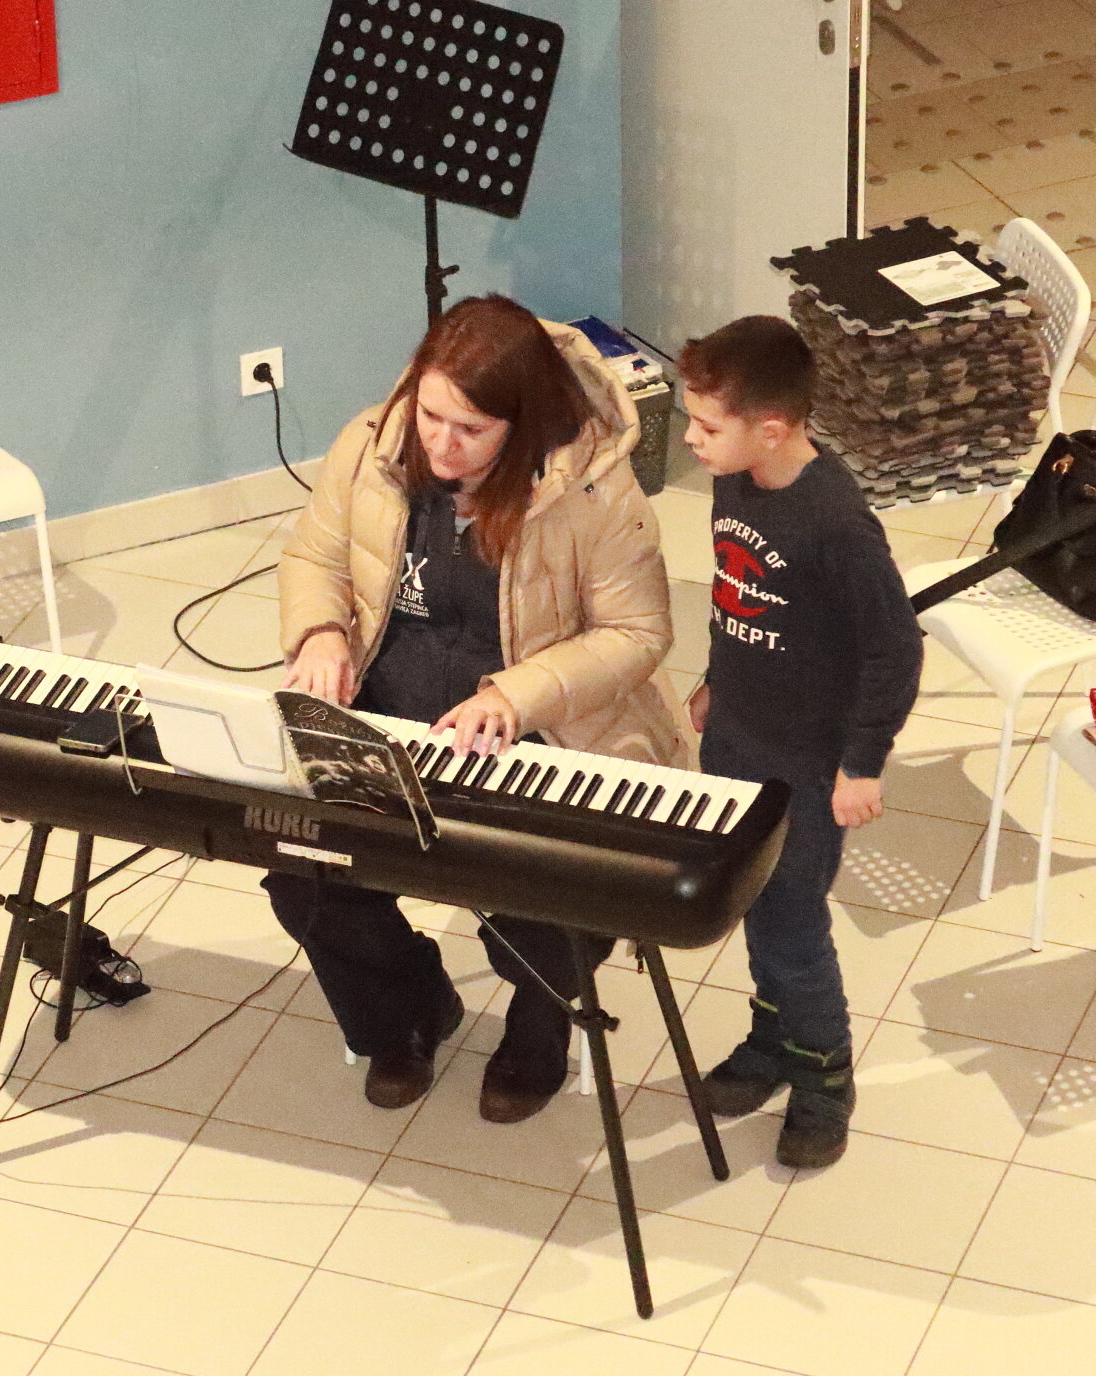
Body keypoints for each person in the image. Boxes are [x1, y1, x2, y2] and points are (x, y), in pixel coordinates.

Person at [270, 293, 677, 1123]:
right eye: (430, 415)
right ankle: (408, 1009)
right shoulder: (370, 446)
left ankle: (538, 1029)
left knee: (557, 904)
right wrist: (320, 632)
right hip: (390, 717)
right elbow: (314, 555)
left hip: (540, 736)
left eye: (470, 430)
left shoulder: (592, 491)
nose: (440, 443)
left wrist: (513, 696)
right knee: (299, 873)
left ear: (520, 426)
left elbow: (638, 632)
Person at [677, 315, 922, 1169]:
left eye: (706, 426)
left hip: (809, 763)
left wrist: (861, 762)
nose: (690, 440)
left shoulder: (835, 524)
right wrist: (717, 676)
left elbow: (894, 648)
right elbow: (735, 593)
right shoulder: (737, 478)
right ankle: (774, 1037)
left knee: (790, 925)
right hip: (738, 736)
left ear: (772, 429)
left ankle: (824, 1075)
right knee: (754, 901)